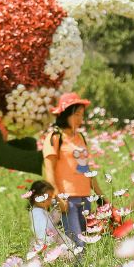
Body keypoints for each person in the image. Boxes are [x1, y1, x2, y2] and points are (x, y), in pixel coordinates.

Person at [41, 93, 105, 250]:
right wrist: (57, 196)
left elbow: (87, 169)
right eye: (76, 114)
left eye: (82, 115)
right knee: (77, 243)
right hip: (66, 199)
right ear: (65, 114)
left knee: (84, 241)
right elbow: (49, 171)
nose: (79, 119)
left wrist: (101, 197)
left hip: (85, 197)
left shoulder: (80, 137)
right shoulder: (54, 137)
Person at [27, 180, 76, 253]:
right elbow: (42, 232)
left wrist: (57, 210)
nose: (50, 201)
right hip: (48, 246)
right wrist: (51, 248)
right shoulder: (37, 213)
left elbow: (51, 222)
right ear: (37, 198)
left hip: (52, 243)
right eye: (49, 198)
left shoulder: (41, 211)